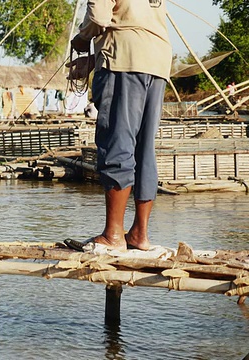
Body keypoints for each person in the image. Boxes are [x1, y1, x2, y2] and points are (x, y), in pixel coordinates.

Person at [66, 0, 172, 251]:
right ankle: (139, 235)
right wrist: (94, 61)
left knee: (117, 142)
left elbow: (99, 18)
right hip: (158, 62)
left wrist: (81, 40)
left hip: (124, 60)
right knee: (144, 148)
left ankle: (113, 235)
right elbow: (136, 25)